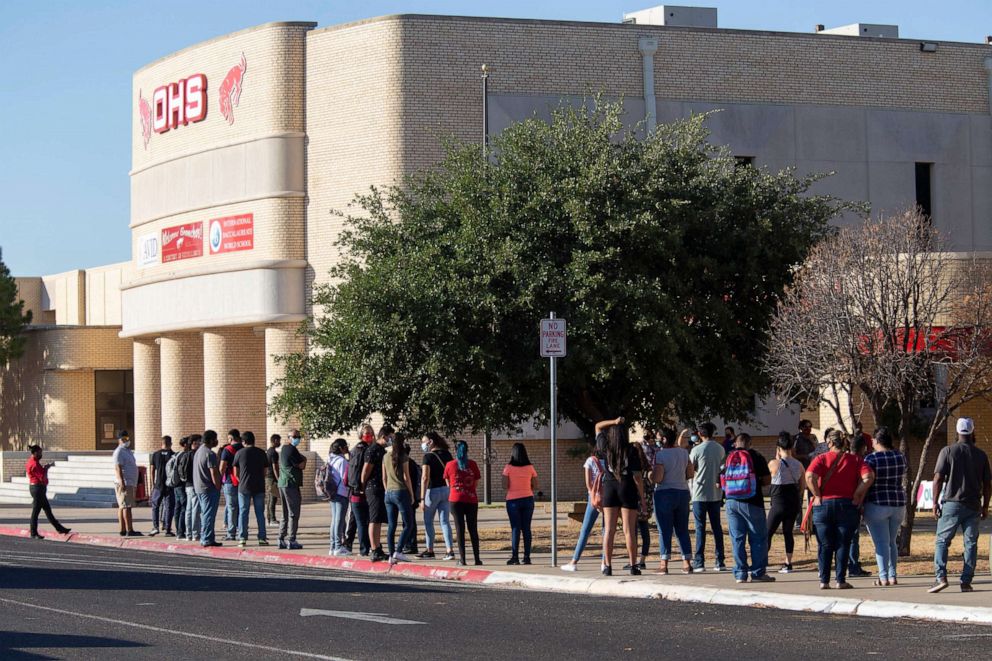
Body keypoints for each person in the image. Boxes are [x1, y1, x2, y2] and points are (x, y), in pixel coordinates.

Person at [929, 417, 992, 594]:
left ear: (957, 432)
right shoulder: (980, 455)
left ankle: (940, 577)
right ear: (973, 432)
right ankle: (966, 581)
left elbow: (938, 479)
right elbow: (987, 484)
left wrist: (934, 502)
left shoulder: (948, 451)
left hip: (952, 503)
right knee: (970, 543)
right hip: (973, 505)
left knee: (942, 541)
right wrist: (985, 505)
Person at [806, 430, 870, 589]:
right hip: (847, 504)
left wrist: (817, 494)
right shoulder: (855, 460)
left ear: (830, 443)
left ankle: (824, 580)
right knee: (843, 543)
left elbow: (809, 476)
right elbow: (868, 477)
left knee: (825, 544)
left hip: (824, 504)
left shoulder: (820, 459)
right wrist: (857, 494)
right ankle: (840, 580)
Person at [597, 418, 646, 576]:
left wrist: (613, 421)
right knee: (629, 530)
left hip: (610, 486)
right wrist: (643, 500)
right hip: (627, 486)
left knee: (609, 530)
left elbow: (598, 426)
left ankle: (608, 566)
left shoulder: (606, 447)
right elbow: (638, 477)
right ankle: (633, 566)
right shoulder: (631, 449)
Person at [723, 433, 773, 584]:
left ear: (735, 443)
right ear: (750, 443)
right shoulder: (756, 456)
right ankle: (758, 573)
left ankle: (740, 574)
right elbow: (767, 480)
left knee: (737, 539)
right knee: (758, 538)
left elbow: (719, 483)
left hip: (731, 502)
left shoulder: (727, 457)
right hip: (753, 502)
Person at [862, 426, 907, 587]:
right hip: (898, 502)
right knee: (891, 542)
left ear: (877, 441)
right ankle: (893, 575)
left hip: (877, 502)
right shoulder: (900, 456)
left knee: (881, 543)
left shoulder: (871, 459)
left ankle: (883, 577)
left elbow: (866, 480)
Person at [651, 429, 694, 574]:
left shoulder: (660, 455)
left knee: (664, 529)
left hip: (664, 492)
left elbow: (658, 478)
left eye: (658, 438)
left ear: (663, 439)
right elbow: (690, 473)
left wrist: (649, 475)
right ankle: (687, 562)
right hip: (682, 491)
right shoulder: (684, 453)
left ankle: (664, 564)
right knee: (682, 529)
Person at [561, 436, 607, 572]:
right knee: (606, 532)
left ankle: (574, 561)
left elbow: (588, 483)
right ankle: (605, 562)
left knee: (585, 530)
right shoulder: (611, 461)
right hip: (608, 499)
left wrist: (593, 496)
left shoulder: (590, 461)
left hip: (593, 498)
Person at [689, 422, 728, 572]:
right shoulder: (720, 449)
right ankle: (720, 561)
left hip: (699, 492)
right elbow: (722, 468)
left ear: (699, 434)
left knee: (700, 528)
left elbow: (691, 469)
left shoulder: (696, 450)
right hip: (716, 493)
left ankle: (699, 562)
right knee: (716, 527)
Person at [766, 432, 805, 573]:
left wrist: (777, 458)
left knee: (768, 532)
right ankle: (788, 563)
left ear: (778, 448)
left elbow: (768, 479)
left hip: (778, 502)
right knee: (788, 532)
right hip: (793, 501)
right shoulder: (799, 464)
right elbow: (802, 486)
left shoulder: (773, 463)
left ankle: (763, 560)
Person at [444, 440, 482, 566]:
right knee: (473, 529)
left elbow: (448, 484)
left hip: (455, 500)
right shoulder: (473, 464)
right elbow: (476, 483)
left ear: (455, 451)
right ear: (467, 450)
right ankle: (477, 559)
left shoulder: (450, 465)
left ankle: (463, 559)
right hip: (471, 499)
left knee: (460, 529)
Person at [419, 432, 454, 560]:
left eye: (424, 441)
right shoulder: (447, 455)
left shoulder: (427, 457)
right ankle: (449, 550)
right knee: (445, 521)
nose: (422, 444)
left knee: (428, 521)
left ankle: (430, 549)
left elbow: (424, 478)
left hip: (431, 491)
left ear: (431, 441)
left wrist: (422, 498)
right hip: (446, 490)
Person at [502, 442, 538, 565]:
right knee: (526, 528)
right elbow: (535, 485)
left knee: (515, 528)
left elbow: (504, 485)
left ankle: (515, 557)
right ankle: (527, 557)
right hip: (528, 499)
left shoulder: (508, 467)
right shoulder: (530, 467)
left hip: (513, 500)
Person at [383, 434, 416, 564]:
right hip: (401, 491)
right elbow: (406, 477)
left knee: (392, 525)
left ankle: (391, 554)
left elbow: (384, 478)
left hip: (389, 492)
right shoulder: (403, 456)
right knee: (408, 524)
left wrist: (386, 490)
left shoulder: (385, 457)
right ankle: (399, 550)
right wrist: (412, 494)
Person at [232, 431, 270, 548]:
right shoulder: (261, 453)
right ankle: (262, 538)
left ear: (243, 442)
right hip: (259, 486)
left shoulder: (239, 453)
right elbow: (265, 471)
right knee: (260, 513)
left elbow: (235, 471)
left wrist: (241, 480)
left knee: (243, 512)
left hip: (244, 487)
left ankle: (242, 538)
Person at [25, 445, 70, 538]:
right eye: (40, 452)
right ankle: (33, 533)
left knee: (48, 510)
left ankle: (60, 529)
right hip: (38, 489)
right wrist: (46, 469)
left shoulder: (32, 461)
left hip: (37, 488)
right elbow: (42, 478)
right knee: (36, 511)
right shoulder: (34, 464)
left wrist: (44, 468)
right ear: (35, 453)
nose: (41, 454)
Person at [361, 425, 391, 562]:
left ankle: (378, 547)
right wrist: (363, 486)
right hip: (373, 488)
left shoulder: (381, 450)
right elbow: (365, 471)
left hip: (380, 488)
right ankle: (374, 549)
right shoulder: (373, 450)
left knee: (378, 519)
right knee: (374, 518)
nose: (391, 440)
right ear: (384, 436)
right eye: (390, 437)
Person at [345, 424, 374, 556]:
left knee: (356, 520)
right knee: (364, 523)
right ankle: (365, 548)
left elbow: (348, 472)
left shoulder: (353, 451)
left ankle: (349, 543)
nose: (369, 436)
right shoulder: (369, 451)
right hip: (365, 491)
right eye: (367, 433)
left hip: (354, 491)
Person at [846, 434, 872, 578]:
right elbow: (866, 479)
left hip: (838, 501)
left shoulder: (841, 460)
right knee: (853, 537)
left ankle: (839, 565)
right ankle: (853, 566)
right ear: (863, 448)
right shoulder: (860, 462)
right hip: (854, 502)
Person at [278, 428, 308, 550]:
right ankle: (291, 539)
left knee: (285, 512)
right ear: (288, 437)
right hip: (291, 484)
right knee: (293, 513)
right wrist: (304, 459)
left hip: (283, 483)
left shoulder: (284, 449)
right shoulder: (291, 449)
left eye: (298, 436)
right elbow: (302, 465)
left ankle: (281, 538)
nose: (297, 439)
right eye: (295, 436)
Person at [194, 430, 222, 547]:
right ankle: (206, 538)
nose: (216, 441)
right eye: (215, 439)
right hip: (209, 488)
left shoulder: (198, 452)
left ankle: (208, 537)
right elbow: (214, 472)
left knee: (205, 513)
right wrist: (218, 485)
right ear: (211, 440)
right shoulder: (209, 454)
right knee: (208, 514)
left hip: (199, 487)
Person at [629, 437, 652, 570]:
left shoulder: (633, 466)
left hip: (635, 499)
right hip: (647, 499)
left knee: (633, 531)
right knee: (645, 529)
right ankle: (642, 559)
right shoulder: (646, 465)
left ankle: (634, 559)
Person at [112, 430, 141, 537]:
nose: (126, 441)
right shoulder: (119, 452)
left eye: (127, 439)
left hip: (130, 482)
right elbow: (118, 468)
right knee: (126, 506)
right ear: (119, 440)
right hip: (125, 482)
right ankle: (129, 529)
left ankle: (123, 529)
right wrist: (122, 482)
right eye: (123, 439)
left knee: (123, 506)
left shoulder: (127, 451)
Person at [326, 438, 351, 556]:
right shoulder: (342, 461)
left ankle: (332, 546)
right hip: (341, 493)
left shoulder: (330, 459)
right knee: (339, 520)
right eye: (346, 446)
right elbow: (345, 478)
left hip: (332, 492)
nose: (347, 448)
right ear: (341, 448)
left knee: (334, 520)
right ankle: (338, 547)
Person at [218, 429, 244, 541]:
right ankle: (242, 531)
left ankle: (231, 533)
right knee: (242, 507)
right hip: (243, 481)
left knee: (231, 507)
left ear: (231, 438)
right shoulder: (244, 449)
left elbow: (222, 467)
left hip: (230, 481)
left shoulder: (227, 450)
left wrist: (219, 480)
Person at [148, 435, 175, 536]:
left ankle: (155, 527)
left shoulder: (155, 454)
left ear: (162, 443)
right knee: (169, 507)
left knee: (155, 506)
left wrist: (153, 483)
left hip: (158, 485)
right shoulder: (173, 455)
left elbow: (152, 470)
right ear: (170, 443)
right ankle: (167, 529)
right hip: (169, 485)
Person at [182, 434, 202, 542]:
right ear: (194, 443)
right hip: (195, 484)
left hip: (188, 485)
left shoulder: (186, 455)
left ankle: (188, 534)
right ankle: (195, 534)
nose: (200, 444)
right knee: (195, 510)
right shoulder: (196, 455)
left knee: (189, 510)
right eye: (199, 442)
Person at [172, 437, 190, 540]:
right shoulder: (185, 455)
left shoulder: (176, 455)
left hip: (175, 483)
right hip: (182, 484)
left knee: (178, 507)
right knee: (184, 507)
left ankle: (178, 530)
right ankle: (181, 531)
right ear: (185, 445)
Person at [265, 434, 281, 525]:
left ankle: (269, 518)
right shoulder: (273, 453)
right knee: (272, 498)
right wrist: (278, 479)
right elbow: (275, 467)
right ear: (275, 440)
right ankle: (272, 519)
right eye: (278, 441)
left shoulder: (268, 451)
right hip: (272, 477)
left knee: (270, 498)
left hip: (268, 477)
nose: (279, 443)